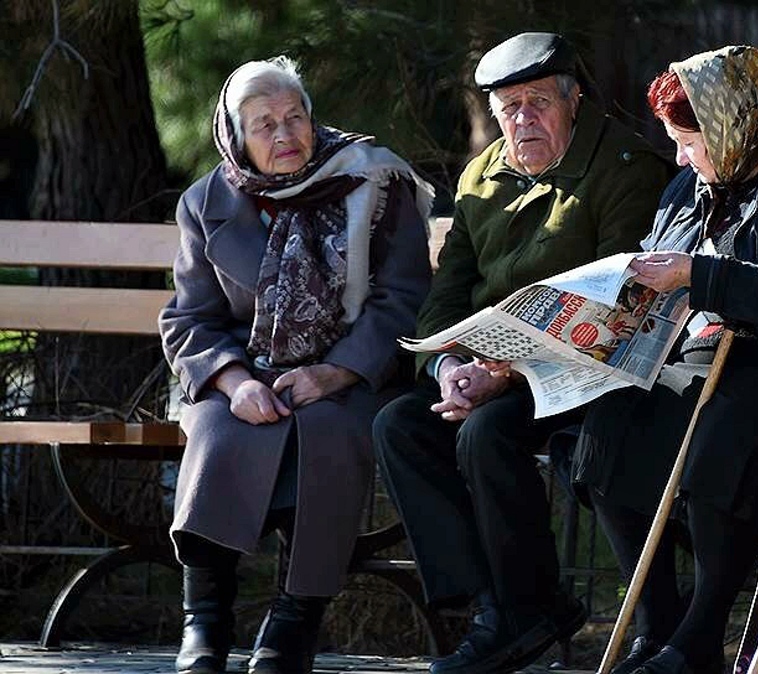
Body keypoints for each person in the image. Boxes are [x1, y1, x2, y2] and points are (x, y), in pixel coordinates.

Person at [571, 45, 758, 674]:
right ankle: (657, 627)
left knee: (723, 436)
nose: (681, 159)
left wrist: (700, 276)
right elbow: (661, 256)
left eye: (689, 142)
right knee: (608, 429)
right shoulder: (692, 182)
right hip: (696, 354)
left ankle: (699, 637)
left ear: (729, 125)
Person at [371, 32, 672, 674]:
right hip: (491, 371)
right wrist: (448, 366)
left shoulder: (625, 167)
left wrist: (505, 374)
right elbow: (447, 293)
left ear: (574, 100)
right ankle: (497, 606)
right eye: (509, 108)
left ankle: (524, 609)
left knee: (486, 433)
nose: (523, 120)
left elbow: (623, 304)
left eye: (539, 102)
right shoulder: (481, 175)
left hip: (588, 372)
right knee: (399, 425)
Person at [160, 56, 433, 674]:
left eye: (295, 117)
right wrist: (232, 382)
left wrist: (335, 372)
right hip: (242, 372)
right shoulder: (205, 201)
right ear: (235, 136)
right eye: (264, 125)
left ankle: (295, 618)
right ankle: (204, 621)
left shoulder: (372, 180)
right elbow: (191, 318)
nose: (285, 135)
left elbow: (403, 299)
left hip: (351, 371)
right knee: (217, 431)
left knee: (327, 431)